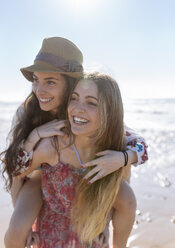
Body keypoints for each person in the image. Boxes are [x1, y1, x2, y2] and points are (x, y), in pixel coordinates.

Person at [1, 37, 148, 248]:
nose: (39, 90)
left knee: (119, 166)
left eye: (50, 81)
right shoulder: (28, 112)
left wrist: (123, 158)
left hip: (80, 168)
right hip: (38, 171)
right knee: (18, 227)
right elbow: (16, 168)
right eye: (35, 79)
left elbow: (137, 143)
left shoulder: (86, 108)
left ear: (72, 84)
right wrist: (36, 135)